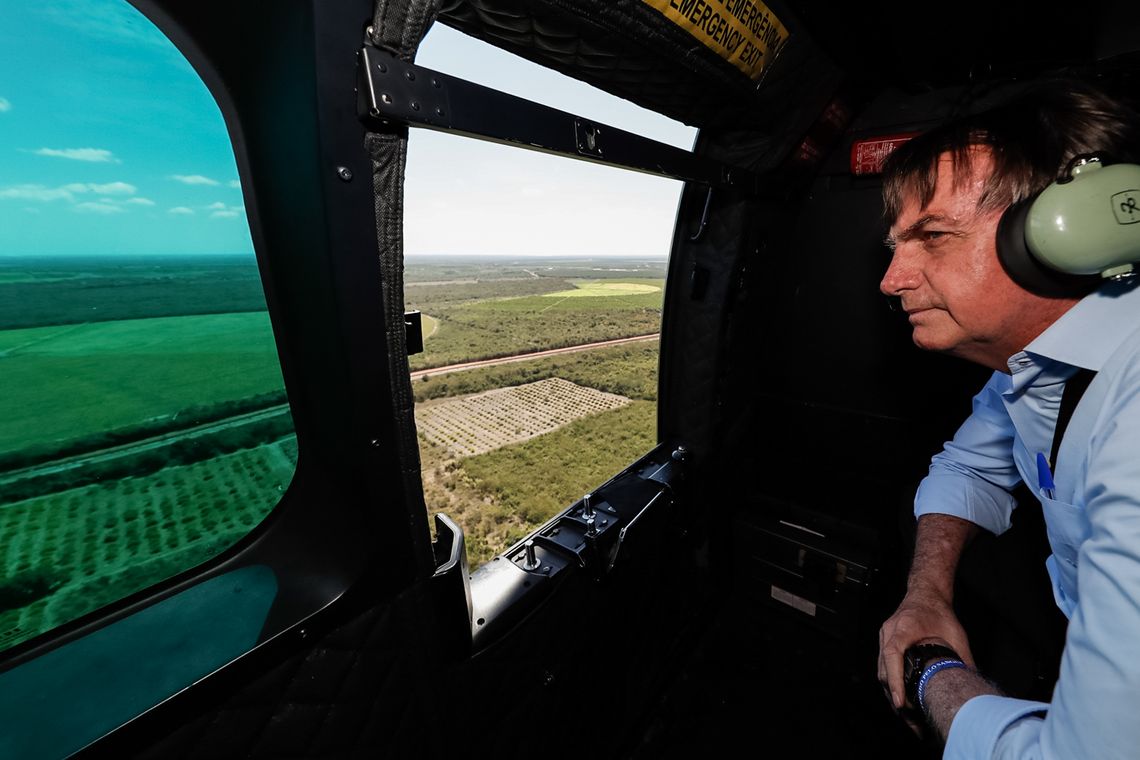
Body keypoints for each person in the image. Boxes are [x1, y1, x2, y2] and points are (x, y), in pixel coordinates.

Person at [876, 79, 1140, 758]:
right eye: (896, 244)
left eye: (931, 236)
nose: (891, 278)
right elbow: (968, 467)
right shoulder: (1030, 367)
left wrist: (931, 670)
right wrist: (927, 594)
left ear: (1068, 232)